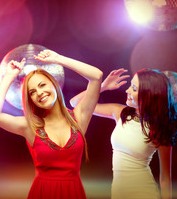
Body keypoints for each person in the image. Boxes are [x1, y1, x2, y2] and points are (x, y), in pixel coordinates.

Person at [0, 49, 103, 199]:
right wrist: (9, 77)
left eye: (42, 85)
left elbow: (96, 76)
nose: (39, 93)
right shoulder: (30, 126)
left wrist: (59, 59)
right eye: (32, 92)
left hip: (74, 193)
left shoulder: (79, 117)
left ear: (54, 84)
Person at [70, 68, 177, 199]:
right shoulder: (121, 113)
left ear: (149, 94)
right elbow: (75, 103)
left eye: (134, 88)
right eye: (130, 86)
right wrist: (103, 86)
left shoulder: (160, 128)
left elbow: (165, 178)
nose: (127, 90)